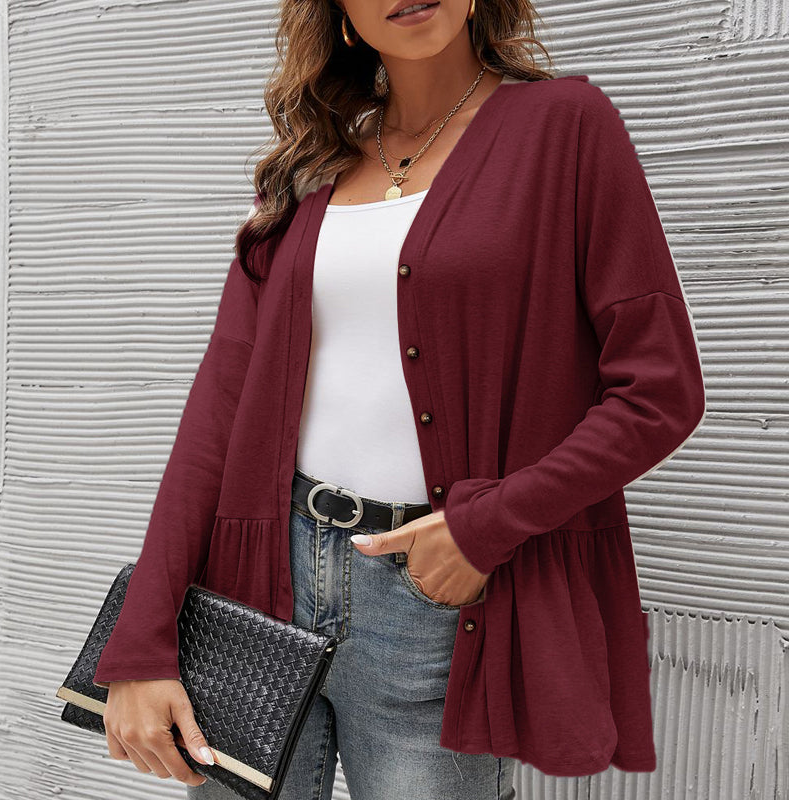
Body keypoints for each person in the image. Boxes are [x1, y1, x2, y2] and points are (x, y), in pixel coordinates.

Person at [94, 0, 706, 797]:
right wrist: (142, 638)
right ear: (343, 17)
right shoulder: (311, 169)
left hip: (431, 603)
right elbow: (218, 410)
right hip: (260, 584)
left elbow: (659, 392)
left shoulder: (564, 128)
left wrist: (485, 527)